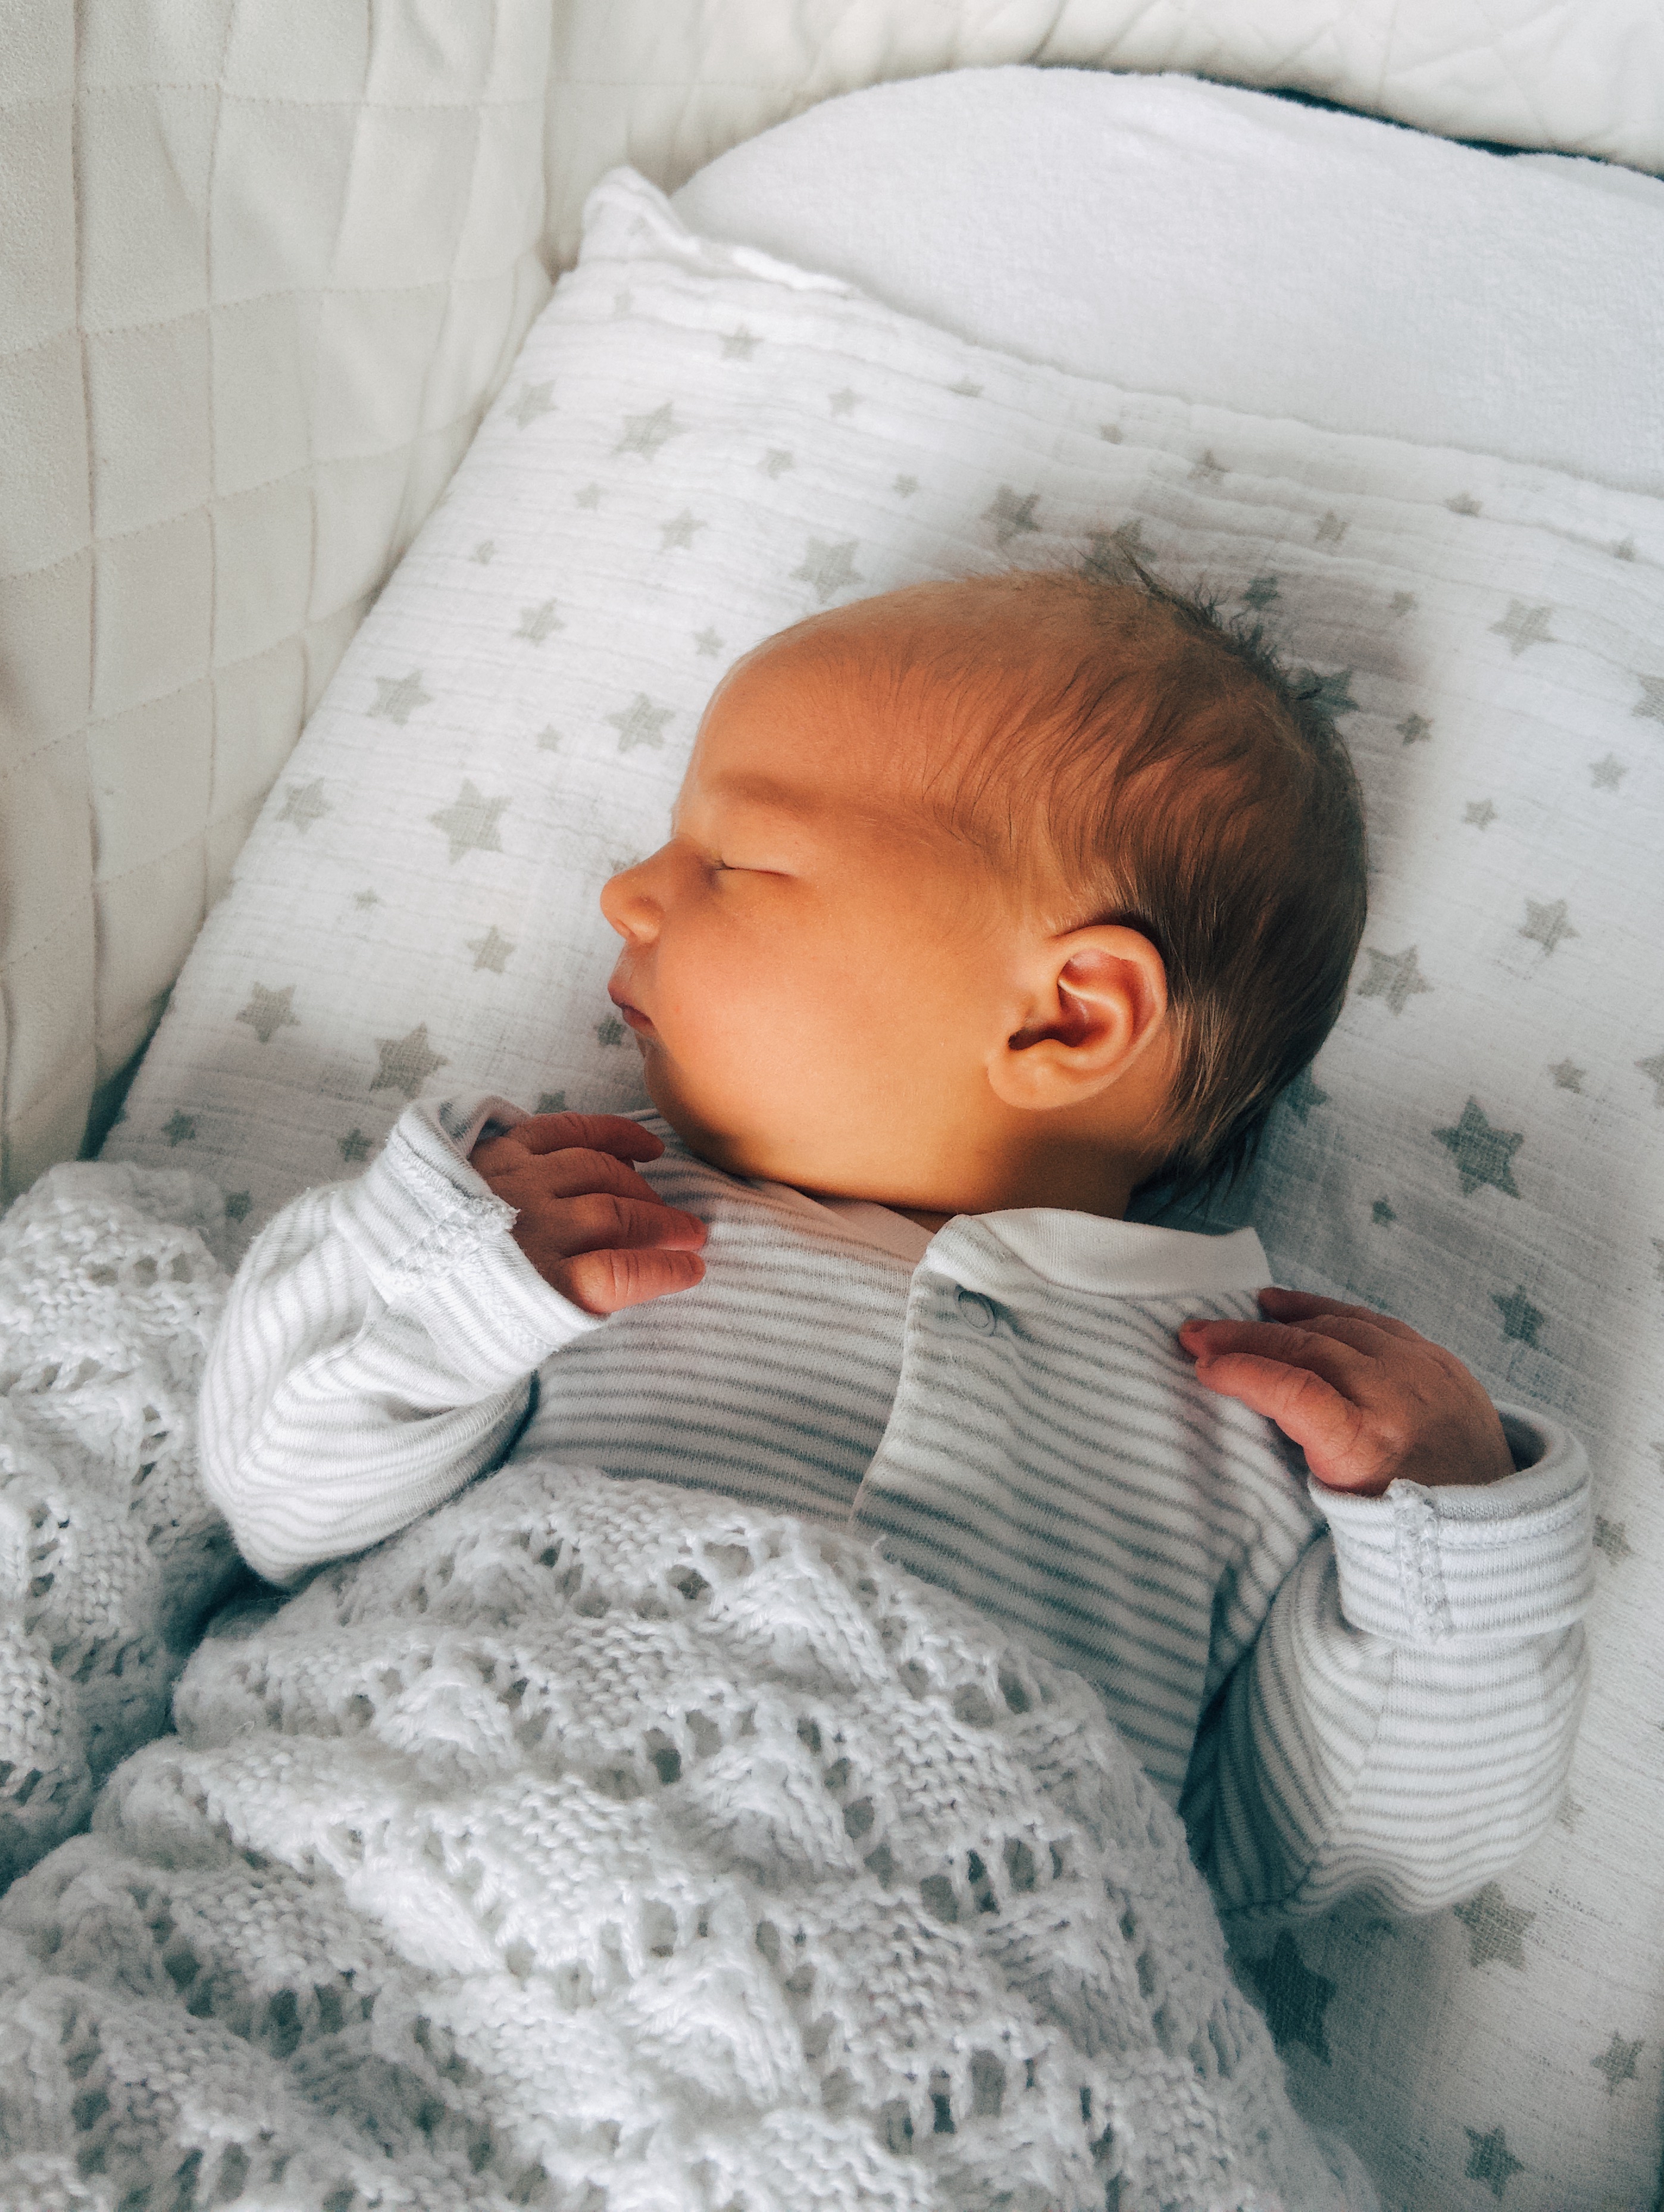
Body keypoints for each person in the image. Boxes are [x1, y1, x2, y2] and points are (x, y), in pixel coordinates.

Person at [200, 562, 1593, 1921]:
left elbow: (1327, 1854)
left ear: (1066, 1016)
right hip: (421, 1860)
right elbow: (278, 1502)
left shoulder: (1248, 1411)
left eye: (732, 858)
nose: (628, 889)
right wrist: (450, 1277)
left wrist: (1447, 1535)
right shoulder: (562, 1220)